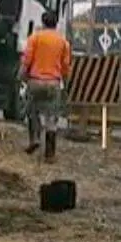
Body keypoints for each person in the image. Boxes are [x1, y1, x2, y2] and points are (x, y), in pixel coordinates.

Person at [20, 10, 72, 162]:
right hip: (53, 83)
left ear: (43, 22)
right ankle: (50, 153)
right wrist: (65, 84)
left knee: (32, 111)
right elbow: (65, 66)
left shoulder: (35, 38)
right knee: (51, 117)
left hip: (35, 81)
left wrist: (22, 76)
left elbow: (27, 60)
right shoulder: (63, 42)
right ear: (56, 23)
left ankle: (34, 139)